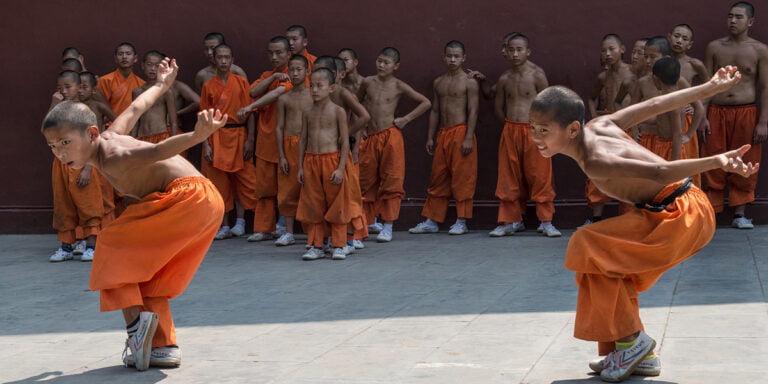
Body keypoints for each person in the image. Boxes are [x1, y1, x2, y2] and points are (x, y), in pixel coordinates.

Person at [529, 66, 753, 382]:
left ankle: (632, 341)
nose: (535, 138)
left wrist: (716, 161)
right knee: (601, 264)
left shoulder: (596, 158)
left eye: (544, 130)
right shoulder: (601, 124)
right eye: (533, 128)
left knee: (587, 244)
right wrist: (710, 87)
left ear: (572, 130)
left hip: (680, 215)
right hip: (662, 210)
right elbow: (654, 105)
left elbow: (661, 172)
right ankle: (637, 352)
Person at [43, 58, 227, 371]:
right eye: (53, 147)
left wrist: (198, 136)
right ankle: (162, 348)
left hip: (187, 198)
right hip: (200, 202)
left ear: (90, 133)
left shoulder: (115, 156)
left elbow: (159, 151)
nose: (61, 154)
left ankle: (135, 332)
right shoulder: (110, 135)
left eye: (65, 143)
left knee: (111, 244)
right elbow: (137, 107)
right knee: (146, 278)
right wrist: (161, 84)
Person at [703, 1, 768, 228]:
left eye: (738, 17)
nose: (732, 20)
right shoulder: (714, 47)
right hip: (716, 111)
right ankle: (711, 213)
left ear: (750, 22)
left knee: (746, 160)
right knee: (713, 158)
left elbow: (766, 87)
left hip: (746, 112)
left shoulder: (759, 50)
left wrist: (763, 121)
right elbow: (707, 85)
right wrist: (702, 115)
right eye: (730, 16)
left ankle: (740, 214)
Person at [489, 33, 560, 238]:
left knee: (540, 175)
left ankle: (546, 221)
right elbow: (499, 107)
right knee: (508, 176)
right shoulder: (504, 78)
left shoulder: (537, 74)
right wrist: (510, 126)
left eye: (519, 49)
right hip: (511, 130)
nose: (515, 53)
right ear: (506, 52)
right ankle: (510, 221)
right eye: (511, 49)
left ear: (528, 52)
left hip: (535, 131)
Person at [357, 46, 431, 242]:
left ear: (395, 66)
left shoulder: (399, 86)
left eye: (386, 62)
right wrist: (360, 126)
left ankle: (388, 226)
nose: (381, 65)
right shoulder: (367, 82)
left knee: (392, 180)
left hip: (390, 136)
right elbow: (356, 104)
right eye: (379, 61)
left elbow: (425, 103)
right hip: (370, 136)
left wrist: (406, 119)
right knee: (365, 181)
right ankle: (363, 225)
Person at [409, 40, 478, 235]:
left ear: (464, 58)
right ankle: (432, 220)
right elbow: (435, 111)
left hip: (461, 131)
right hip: (444, 134)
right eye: (449, 56)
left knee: (463, 178)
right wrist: (431, 136)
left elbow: (473, 111)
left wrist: (468, 137)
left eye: (457, 56)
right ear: (444, 57)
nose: (453, 59)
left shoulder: (469, 82)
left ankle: (461, 220)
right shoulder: (438, 82)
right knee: (438, 177)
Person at [237, 36, 294, 242]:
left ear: (289, 54)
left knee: (286, 187)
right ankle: (264, 228)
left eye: (279, 52)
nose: (274, 56)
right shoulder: (267, 75)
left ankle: (286, 230)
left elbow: (277, 94)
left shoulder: (295, 75)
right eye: (270, 53)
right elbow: (253, 91)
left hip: (286, 140)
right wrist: (272, 77)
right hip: (265, 140)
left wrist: (250, 108)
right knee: (264, 187)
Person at [296, 68, 357, 260]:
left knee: (337, 204)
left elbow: (345, 142)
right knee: (314, 205)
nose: (314, 90)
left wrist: (340, 168)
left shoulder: (338, 111)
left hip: (332, 160)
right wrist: (300, 166)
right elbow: (303, 139)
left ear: (331, 88)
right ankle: (317, 245)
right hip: (311, 160)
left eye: (319, 86)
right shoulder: (307, 112)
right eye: (311, 85)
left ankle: (339, 244)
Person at [200, 44, 257, 240]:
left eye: (227, 57)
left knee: (245, 180)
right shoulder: (208, 85)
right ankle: (224, 224)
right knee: (219, 183)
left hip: (239, 135)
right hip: (216, 136)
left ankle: (240, 221)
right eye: (220, 57)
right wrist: (205, 144)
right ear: (213, 60)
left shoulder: (241, 82)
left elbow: (250, 112)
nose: (223, 61)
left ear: (232, 59)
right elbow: (204, 116)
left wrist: (251, 139)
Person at [313, 56, 371, 250]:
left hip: (341, 150)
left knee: (348, 195)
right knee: (324, 197)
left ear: (337, 75)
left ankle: (351, 236)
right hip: (321, 153)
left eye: (325, 73)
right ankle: (329, 237)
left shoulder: (344, 94)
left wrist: (347, 136)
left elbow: (364, 117)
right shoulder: (315, 95)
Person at [47, 71, 105, 263]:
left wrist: (88, 168)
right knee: (63, 203)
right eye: (59, 88)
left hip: (83, 160)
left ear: (80, 88)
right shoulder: (58, 109)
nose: (63, 91)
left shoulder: (85, 110)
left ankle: (91, 245)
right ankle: (66, 246)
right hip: (61, 162)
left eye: (68, 87)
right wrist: (54, 105)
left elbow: (95, 140)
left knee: (88, 203)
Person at [274, 55, 313, 246]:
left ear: (308, 72)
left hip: (309, 146)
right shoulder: (284, 98)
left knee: (311, 188)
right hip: (289, 145)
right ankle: (288, 232)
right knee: (288, 188)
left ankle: (312, 231)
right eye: (292, 70)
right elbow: (279, 128)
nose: (295, 73)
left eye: (299, 70)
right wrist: (281, 155)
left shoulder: (313, 96)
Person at [79, 71, 118, 227]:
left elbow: (117, 121)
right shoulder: (74, 109)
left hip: (99, 155)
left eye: (85, 87)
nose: (81, 90)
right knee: (84, 198)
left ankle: (107, 234)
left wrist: (105, 133)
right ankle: (85, 237)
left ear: (94, 90)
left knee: (105, 197)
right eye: (78, 87)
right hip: (80, 156)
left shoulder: (99, 107)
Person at [132, 51, 179, 143]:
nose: (153, 69)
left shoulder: (166, 91)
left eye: (157, 65)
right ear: (143, 65)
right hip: (142, 138)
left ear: (163, 68)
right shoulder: (137, 92)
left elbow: (173, 122)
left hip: (161, 135)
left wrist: (172, 144)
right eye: (149, 64)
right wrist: (132, 140)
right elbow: (135, 121)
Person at [98, 42, 145, 116]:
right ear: (115, 58)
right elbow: (100, 107)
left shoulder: (141, 83)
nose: (124, 57)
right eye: (120, 54)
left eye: (128, 54)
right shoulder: (105, 80)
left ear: (135, 58)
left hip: (133, 125)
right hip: (110, 124)